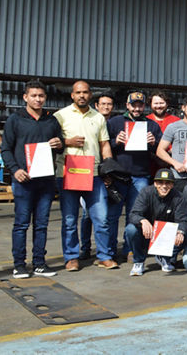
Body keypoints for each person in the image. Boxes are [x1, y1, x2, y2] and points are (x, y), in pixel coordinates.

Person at [0, 80, 63, 278]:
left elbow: (60, 146)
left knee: (42, 224)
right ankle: (19, 265)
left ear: (45, 98)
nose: (38, 99)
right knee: (21, 224)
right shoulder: (15, 119)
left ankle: (39, 263)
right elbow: (6, 149)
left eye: (41, 96)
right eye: (34, 95)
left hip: (45, 180)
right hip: (23, 181)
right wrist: (15, 170)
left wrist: (59, 143)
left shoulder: (51, 120)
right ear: (25, 97)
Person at [54, 80, 116, 271]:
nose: (82, 95)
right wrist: (68, 141)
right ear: (72, 95)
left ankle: (104, 256)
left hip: (94, 174)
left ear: (91, 95)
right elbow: (52, 142)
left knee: (101, 217)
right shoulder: (60, 116)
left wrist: (108, 169)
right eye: (78, 92)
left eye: (85, 92)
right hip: (67, 173)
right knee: (70, 219)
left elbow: (104, 144)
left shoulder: (98, 118)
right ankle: (71, 257)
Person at [106, 91, 162, 261]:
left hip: (140, 176)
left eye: (140, 105)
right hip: (118, 176)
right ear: (127, 105)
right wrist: (116, 141)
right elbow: (104, 145)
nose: (137, 108)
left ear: (144, 106)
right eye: (134, 104)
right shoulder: (115, 122)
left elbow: (160, 149)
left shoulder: (151, 125)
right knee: (113, 215)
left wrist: (154, 143)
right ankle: (109, 251)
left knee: (135, 214)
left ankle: (130, 249)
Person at [125, 168, 187, 276]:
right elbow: (133, 214)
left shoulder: (179, 197)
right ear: (155, 183)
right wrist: (143, 220)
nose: (164, 186)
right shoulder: (146, 192)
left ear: (172, 185)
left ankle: (165, 257)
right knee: (130, 229)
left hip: (167, 235)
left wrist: (180, 231)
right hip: (147, 234)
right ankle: (139, 261)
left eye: (168, 183)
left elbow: (182, 219)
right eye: (160, 182)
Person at [80, 92, 114, 258]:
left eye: (109, 104)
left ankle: (106, 250)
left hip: (108, 173)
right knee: (87, 214)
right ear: (97, 106)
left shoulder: (115, 124)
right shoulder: (89, 121)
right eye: (103, 104)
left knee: (104, 216)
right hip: (87, 171)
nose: (106, 107)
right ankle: (85, 248)